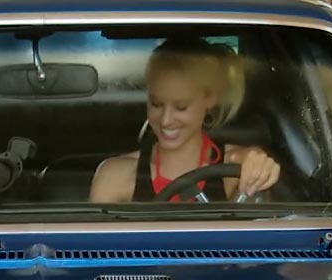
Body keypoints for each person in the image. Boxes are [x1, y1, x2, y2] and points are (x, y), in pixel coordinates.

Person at [89, 38, 280, 204]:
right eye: (156, 104)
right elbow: (94, 246)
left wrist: (259, 165)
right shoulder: (114, 176)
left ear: (210, 98)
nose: (166, 120)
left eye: (181, 107)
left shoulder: (236, 168)